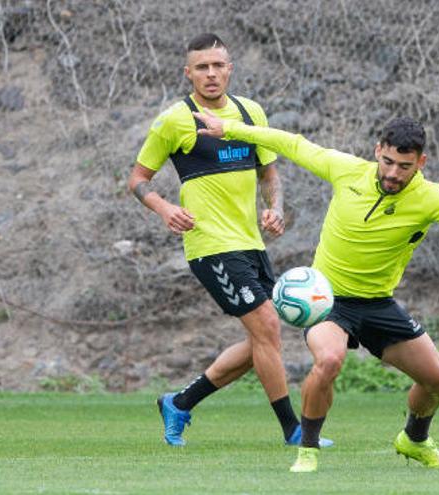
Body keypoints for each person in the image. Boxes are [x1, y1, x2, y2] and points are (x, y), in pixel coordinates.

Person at [192, 110, 439, 472]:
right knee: (329, 360)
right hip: (328, 301)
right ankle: (307, 450)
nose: (392, 173)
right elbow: (292, 143)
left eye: (404, 166)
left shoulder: (431, 198)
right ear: (377, 150)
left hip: (377, 303)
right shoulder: (346, 169)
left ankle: (414, 439)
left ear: (421, 162)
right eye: (387, 161)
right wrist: (228, 127)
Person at [127, 33, 329, 449]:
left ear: (230, 68)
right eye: (202, 67)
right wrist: (165, 209)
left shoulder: (250, 112)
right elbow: (137, 180)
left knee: (262, 339)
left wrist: (275, 208)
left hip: (251, 243)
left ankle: (179, 402)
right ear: (189, 73)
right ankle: (295, 430)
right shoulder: (173, 120)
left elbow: (269, 173)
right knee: (269, 327)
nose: (211, 73)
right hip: (210, 244)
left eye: (218, 65)